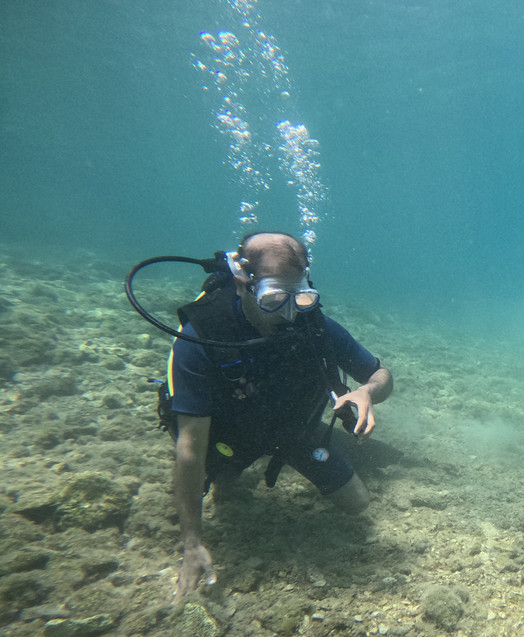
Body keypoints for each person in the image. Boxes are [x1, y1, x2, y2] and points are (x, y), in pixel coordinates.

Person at [166, 232, 393, 600]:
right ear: (243, 283)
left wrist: (367, 391)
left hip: (292, 431)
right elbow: (190, 449)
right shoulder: (202, 336)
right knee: (226, 489)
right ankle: (228, 473)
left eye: (299, 298)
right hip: (227, 436)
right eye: (272, 300)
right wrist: (191, 542)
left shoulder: (315, 326)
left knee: (358, 504)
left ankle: (316, 447)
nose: (288, 314)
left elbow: (381, 375)